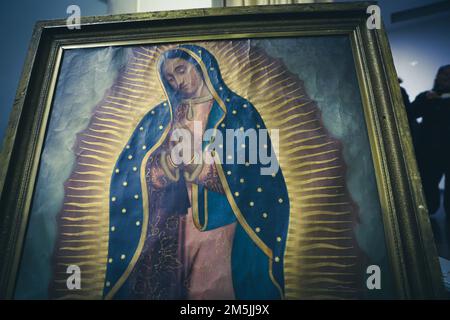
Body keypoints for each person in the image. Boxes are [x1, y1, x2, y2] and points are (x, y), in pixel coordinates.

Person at [103, 45, 290, 300]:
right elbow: (133, 169)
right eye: (170, 78)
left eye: (181, 70)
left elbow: (258, 174)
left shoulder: (237, 112)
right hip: (173, 227)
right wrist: (164, 168)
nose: (178, 81)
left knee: (208, 292)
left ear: (202, 66)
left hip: (220, 224)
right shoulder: (161, 116)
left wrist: (199, 167)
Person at [411, 65, 450, 216]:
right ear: (437, 78)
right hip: (430, 154)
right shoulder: (426, 96)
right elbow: (410, 114)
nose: (447, 77)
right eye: (444, 74)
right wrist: (426, 101)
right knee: (429, 202)